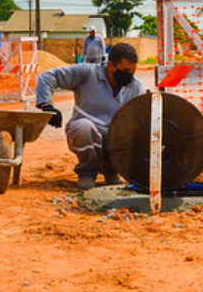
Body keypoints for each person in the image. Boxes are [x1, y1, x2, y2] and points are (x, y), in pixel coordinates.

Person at [35, 41, 145, 189]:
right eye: (125, 70)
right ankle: (87, 173)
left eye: (133, 70)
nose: (129, 75)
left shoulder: (136, 87)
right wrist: (46, 105)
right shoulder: (87, 73)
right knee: (83, 127)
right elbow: (47, 77)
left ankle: (112, 171)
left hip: (114, 137)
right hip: (86, 131)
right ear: (111, 65)